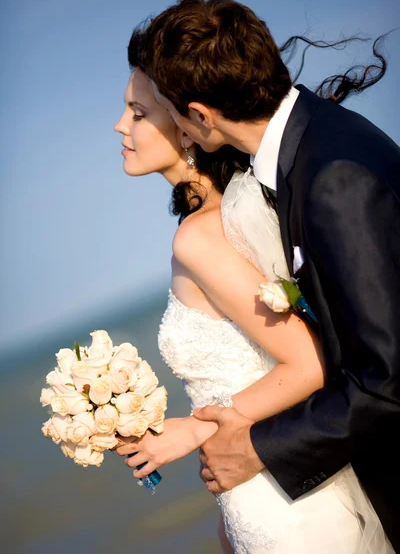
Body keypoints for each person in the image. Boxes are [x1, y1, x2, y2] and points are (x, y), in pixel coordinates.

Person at [113, 31, 393, 552]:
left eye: (137, 112)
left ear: (187, 125)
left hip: (282, 491)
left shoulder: (200, 237)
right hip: (260, 484)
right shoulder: (228, 217)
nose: (119, 125)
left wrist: (195, 430)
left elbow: (309, 359)